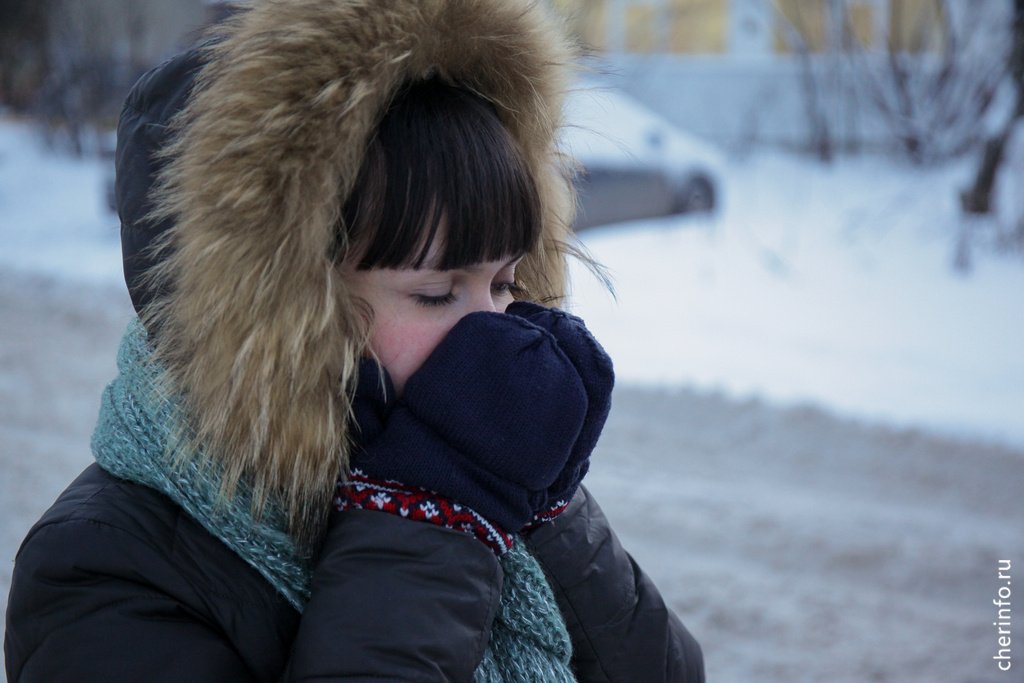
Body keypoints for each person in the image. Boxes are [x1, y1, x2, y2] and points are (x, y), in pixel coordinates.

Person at [4, 0, 705, 680]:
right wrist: (428, 516)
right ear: (280, 309)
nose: (497, 334)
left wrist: (543, 502)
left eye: (506, 284)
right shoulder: (99, 574)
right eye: (436, 293)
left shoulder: (487, 455)